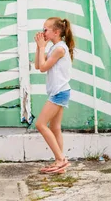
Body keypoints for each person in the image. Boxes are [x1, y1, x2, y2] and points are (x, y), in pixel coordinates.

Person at [34, 17, 75, 174]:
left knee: (41, 124)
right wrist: (39, 47)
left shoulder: (59, 48)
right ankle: (60, 162)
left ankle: (61, 160)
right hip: (59, 91)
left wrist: (42, 47)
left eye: (46, 29)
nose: (43, 32)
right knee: (54, 127)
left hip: (59, 92)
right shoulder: (53, 48)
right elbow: (38, 65)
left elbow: (44, 68)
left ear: (56, 32)